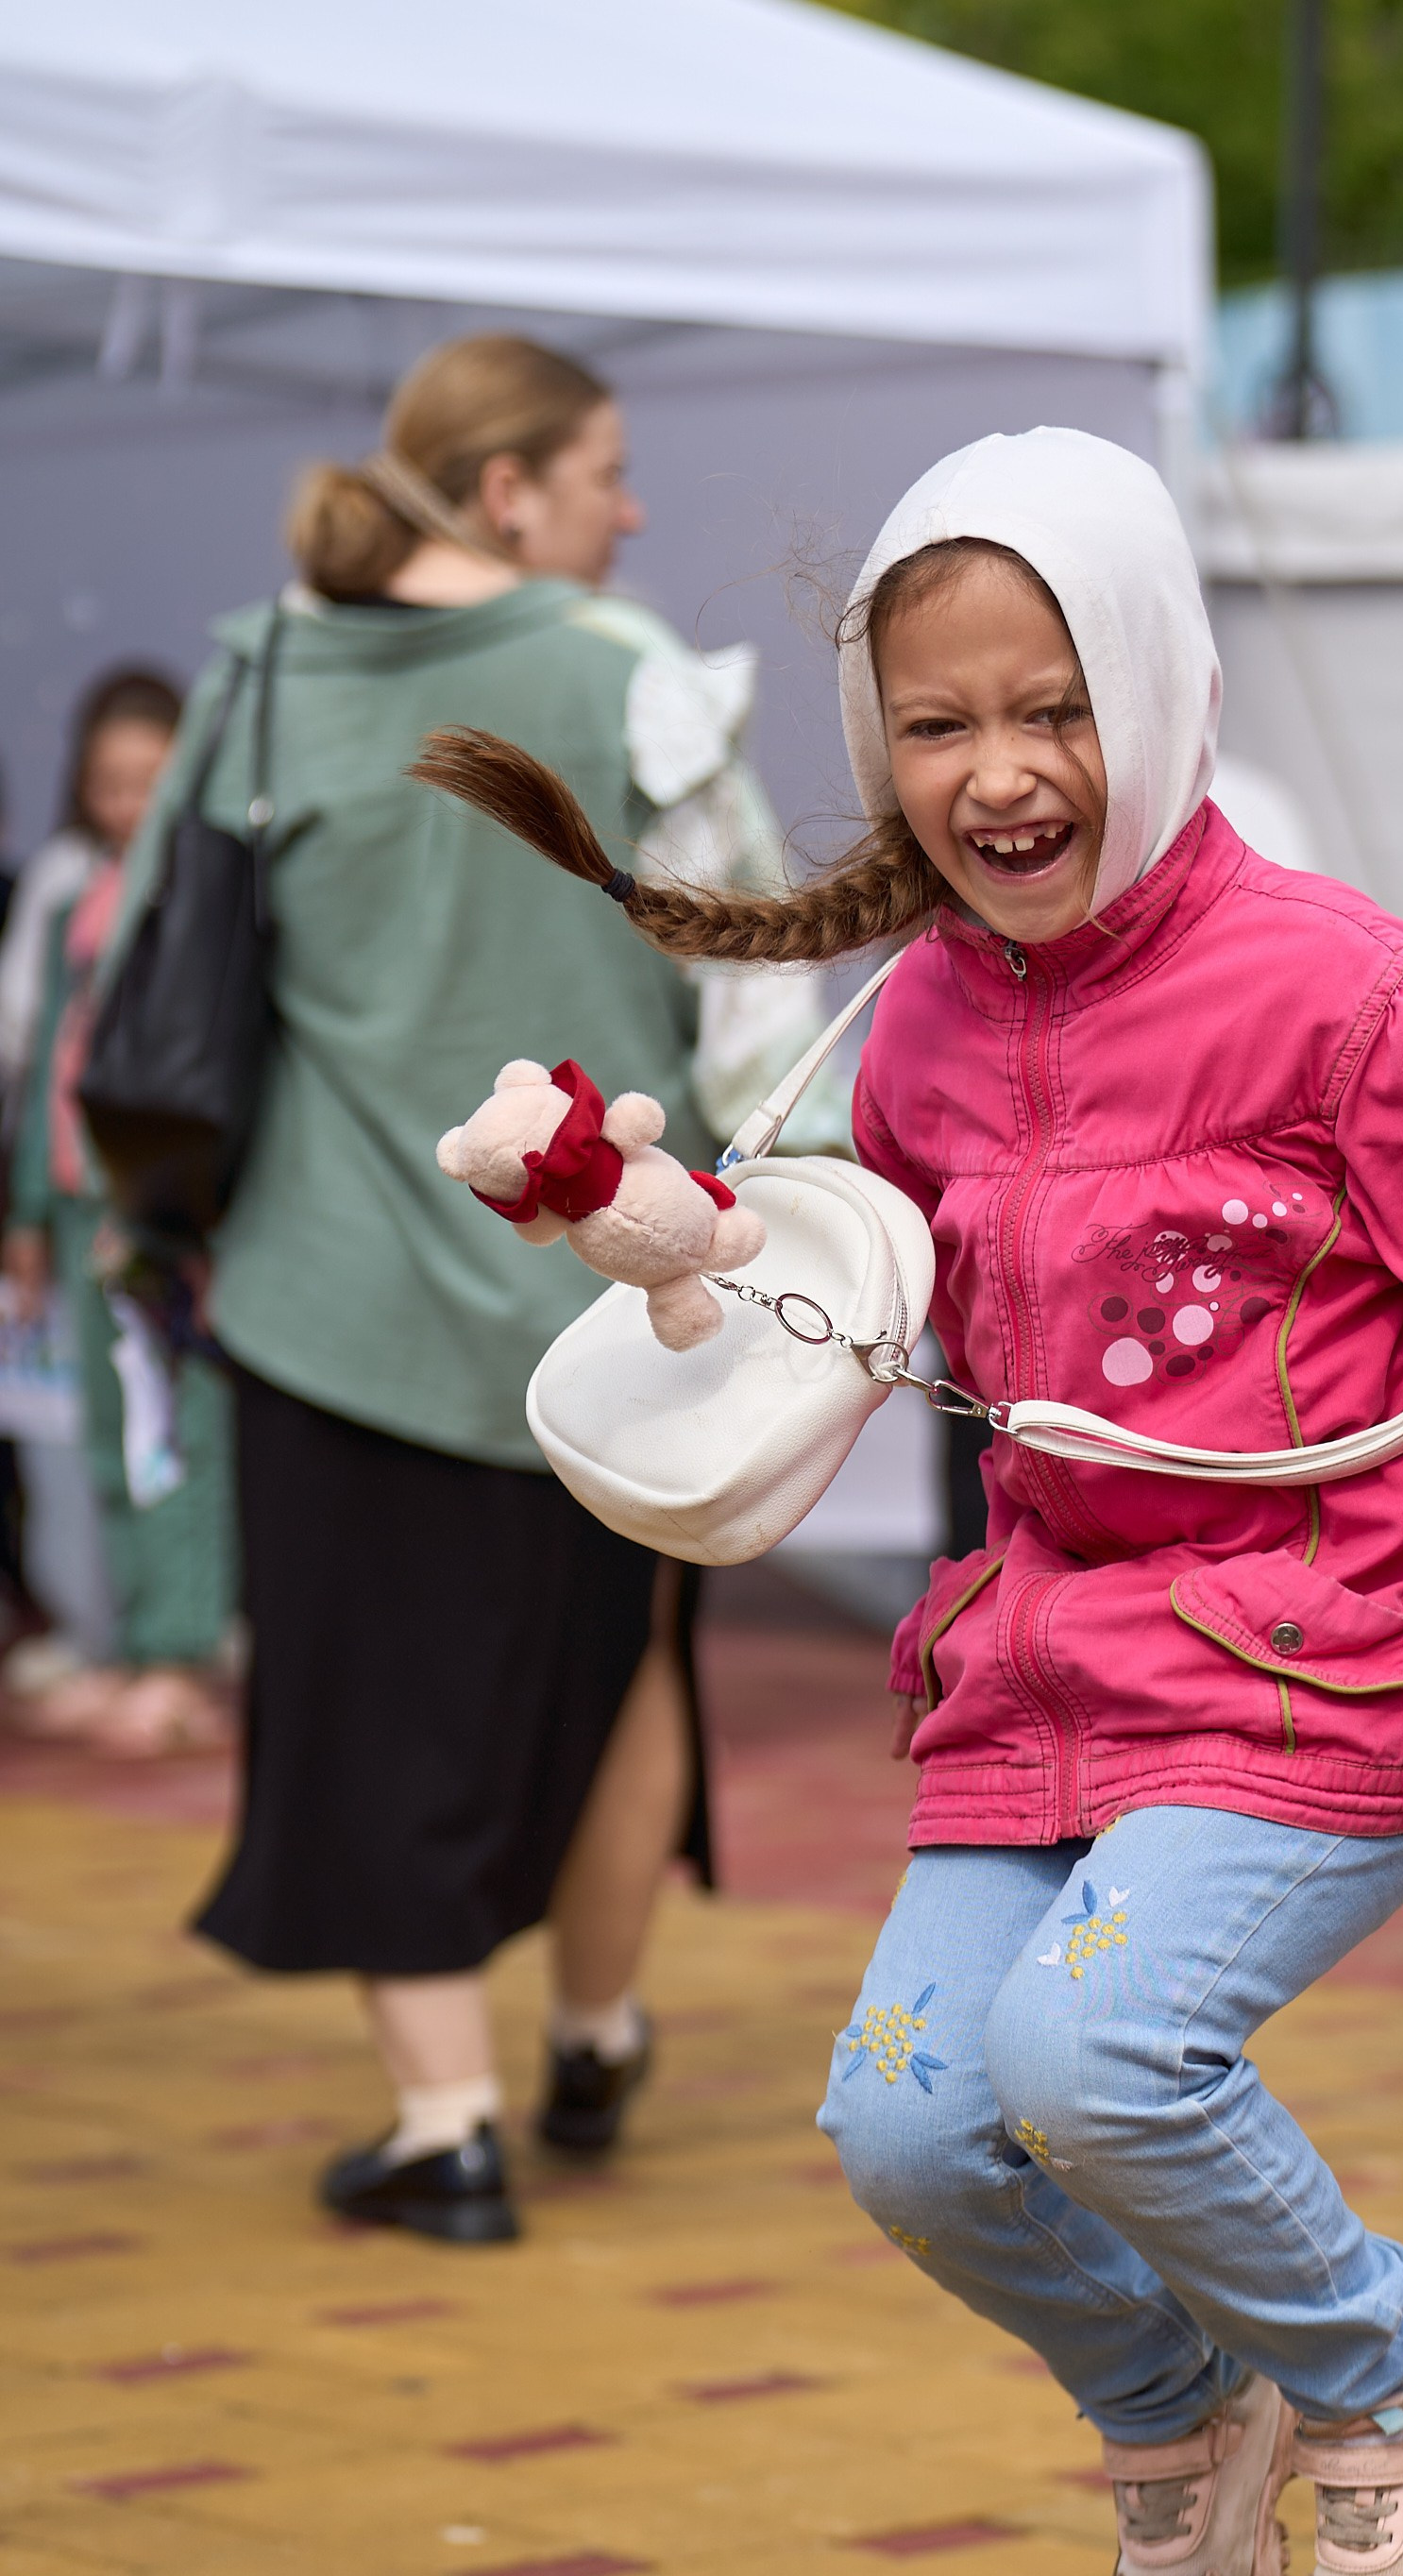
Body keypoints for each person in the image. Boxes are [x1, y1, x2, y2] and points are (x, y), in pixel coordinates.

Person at [414, 427, 1403, 2576]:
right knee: (911, 2123)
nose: (1000, 771)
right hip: (1059, 1660)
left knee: (1097, 2050)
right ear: (877, 749)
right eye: (937, 726)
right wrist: (669, 1245)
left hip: (1353, 1649)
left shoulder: (1345, 991)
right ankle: (1172, 2402)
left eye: (1055, 707)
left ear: (1156, 684)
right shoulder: (910, 1023)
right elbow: (837, 1289)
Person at [120, 332, 816, 2246]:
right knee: (617, 1676)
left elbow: (167, 962)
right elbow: (753, 988)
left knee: (363, 1704)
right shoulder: (632, 679)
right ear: (507, 489)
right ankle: (593, 2028)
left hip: (327, 1295)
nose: (634, 503)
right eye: (605, 467)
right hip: (608, 1298)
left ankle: (446, 2124)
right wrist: (766, 1234)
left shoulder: (257, 671)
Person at [2, 669, 242, 1754]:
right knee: (104, 1435)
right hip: (70, 1201)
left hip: (155, 1213)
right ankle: (125, 1644)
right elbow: (45, 1062)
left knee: (174, 1435)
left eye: (150, 779)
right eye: (108, 783)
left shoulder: (202, 892)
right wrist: (25, 1209)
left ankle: (181, 1653)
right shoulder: (67, 900)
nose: (128, 803)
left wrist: (187, 1211)